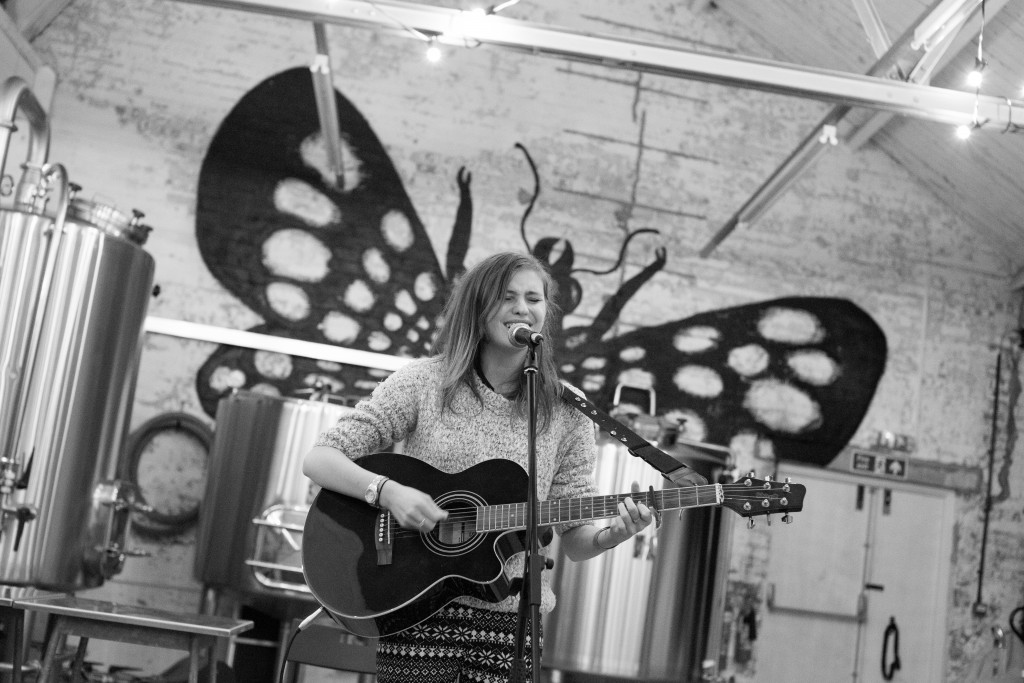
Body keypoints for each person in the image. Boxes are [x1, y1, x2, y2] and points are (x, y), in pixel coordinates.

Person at [302, 251, 662, 683]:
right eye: (507, 296)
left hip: (511, 627)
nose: (522, 308)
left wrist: (611, 535)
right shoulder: (424, 383)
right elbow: (319, 459)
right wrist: (388, 492)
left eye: (534, 298)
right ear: (477, 306)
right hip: (416, 612)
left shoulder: (567, 410)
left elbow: (576, 541)